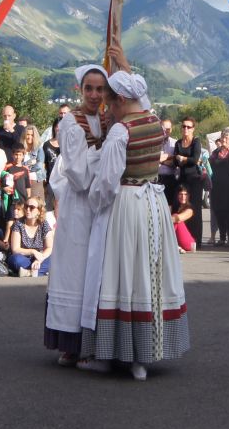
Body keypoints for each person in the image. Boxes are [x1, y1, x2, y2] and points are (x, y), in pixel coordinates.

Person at [78, 70, 190, 380]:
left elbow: (106, 182)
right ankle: (144, 353)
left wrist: (93, 206)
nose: (107, 106)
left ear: (123, 99)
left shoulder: (120, 131)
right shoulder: (154, 122)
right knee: (148, 274)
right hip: (153, 203)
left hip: (127, 204)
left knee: (119, 274)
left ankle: (117, 352)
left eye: (111, 101)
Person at [46, 65, 109, 365]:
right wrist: (102, 156)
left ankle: (96, 340)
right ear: (80, 90)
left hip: (102, 205)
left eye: (100, 89)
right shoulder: (71, 124)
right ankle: (70, 342)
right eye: (89, 89)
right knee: (75, 269)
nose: (95, 95)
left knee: (97, 271)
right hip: (79, 205)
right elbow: (78, 175)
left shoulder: (109, 121)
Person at [172, 117, 204, 250]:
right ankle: (182, 238)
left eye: (188, 127)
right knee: (182, 207)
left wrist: (183, 158)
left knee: (195, 209)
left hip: (195, 179)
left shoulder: (196, 142)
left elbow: (195, 159)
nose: (185, 129)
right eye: (184, 126)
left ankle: (197, 240)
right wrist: (183, 160)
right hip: (183, 179)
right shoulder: (178, 143)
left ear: (193, 129)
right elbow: (175, 161)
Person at [8, 196, 54, 276]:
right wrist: (33, 251)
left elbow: (49, 247)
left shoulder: (44, 224)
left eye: (32, 207)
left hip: (38, 258)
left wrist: (39, 259)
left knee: (54, 259)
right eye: (26, 206)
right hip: (23, 257)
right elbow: (15, 249)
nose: (27, 210)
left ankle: (28, 272)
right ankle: (37, 272)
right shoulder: (18, 224)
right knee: (15, 259)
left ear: (39, 211)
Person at [208, 128, 229, 246]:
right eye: (223, 137)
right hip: (217, 187)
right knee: (219, 211)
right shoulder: (215, 153)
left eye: (227, 138)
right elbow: (210, 166)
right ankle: (222, 237)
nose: (224, 140)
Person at [172, 187, 198, 252]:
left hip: (190, 242)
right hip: (179, 240)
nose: (183, 196)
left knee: (177, 220)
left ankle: (168, 244)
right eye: (181, 194)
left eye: (185, 194)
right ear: (177, 195)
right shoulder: (175, 207)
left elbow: (178, 218)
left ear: (189, 196)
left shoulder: (190, 209)